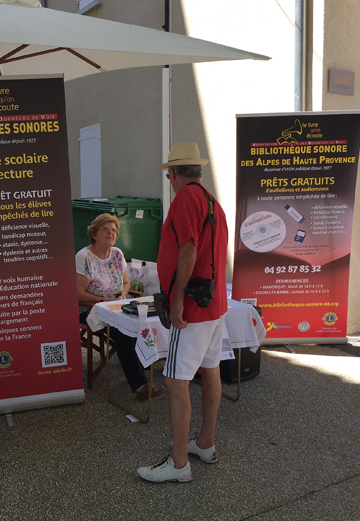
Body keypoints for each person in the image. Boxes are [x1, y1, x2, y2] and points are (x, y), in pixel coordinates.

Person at [137, 142, 228, 483]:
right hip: (214, 305)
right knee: (211, 370)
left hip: (192, 309)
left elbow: (188, 249)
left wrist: (176, 300)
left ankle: (178, 464)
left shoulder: (185, 199)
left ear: (172, 174)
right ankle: (204, 443)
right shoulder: (211, 201)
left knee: (175, 380)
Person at [76, 213, 165, 400]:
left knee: (146, 321)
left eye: (114, 230)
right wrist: (102, 302)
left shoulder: (117, 254)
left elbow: (126, 284)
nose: (111, 233)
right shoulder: (84, 257)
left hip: (118, 306)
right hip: (92, 310)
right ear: (94, 234)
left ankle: (146, 361)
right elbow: (78, 293)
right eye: (106, 229)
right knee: (125, 333)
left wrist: (121, 296)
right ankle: (140, 386)